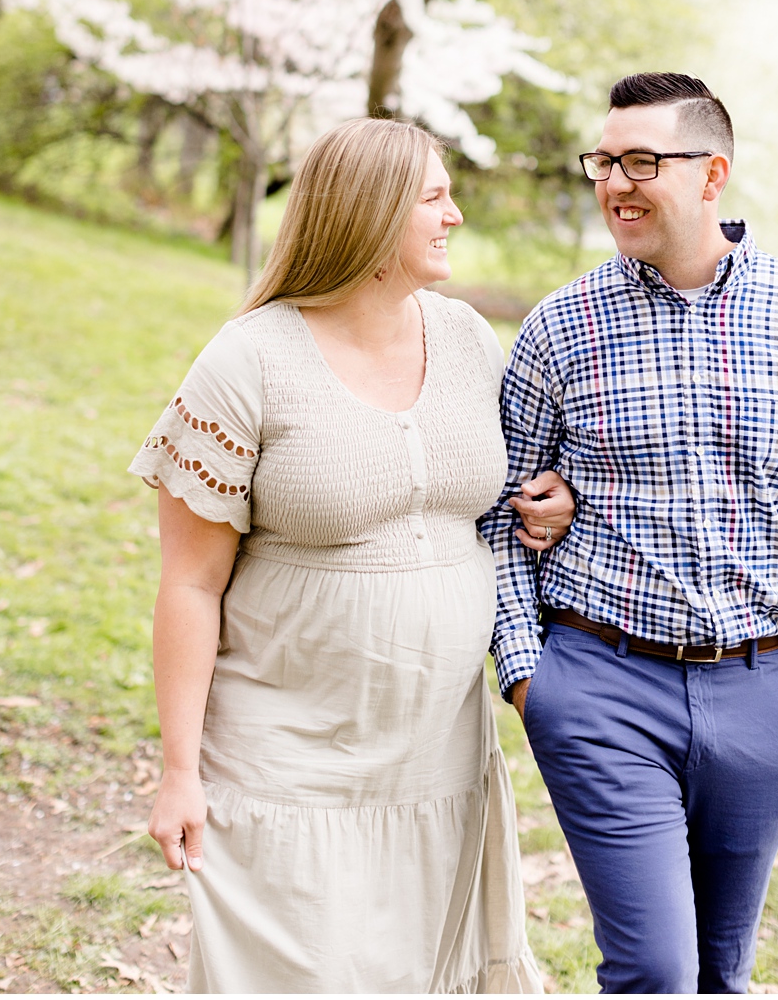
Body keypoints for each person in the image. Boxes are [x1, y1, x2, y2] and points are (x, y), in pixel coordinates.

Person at [136, 117, 560, 993]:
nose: (456, 215)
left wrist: (547, 503)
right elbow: (188, 580)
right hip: (286, 757)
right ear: (370, 215)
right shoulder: (249, 360)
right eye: (435, 196)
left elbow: (500, 486)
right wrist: (179, 771)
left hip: (436, 751)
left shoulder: (471, 340)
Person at [483, 72, 778, 995]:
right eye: (602, 161)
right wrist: (530, 675)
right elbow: (498, 510)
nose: (614, 182)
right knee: (655, 970)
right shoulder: (558, 326)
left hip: (764, 690)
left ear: (712, 173)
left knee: (723, 973)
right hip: (599, 684)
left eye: (641, 160)